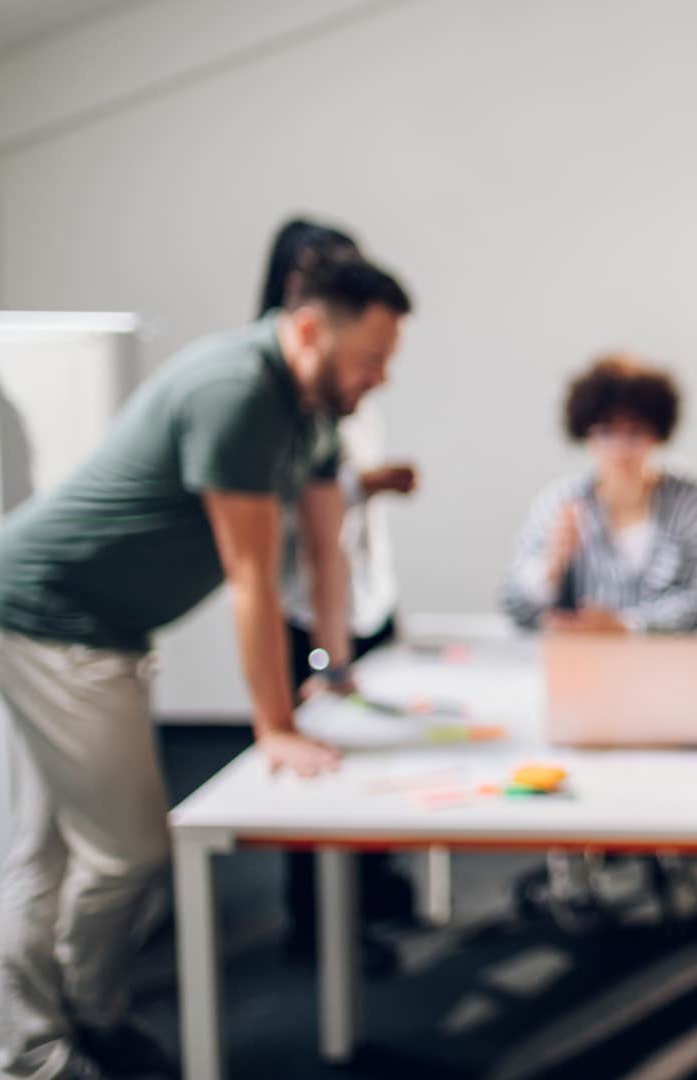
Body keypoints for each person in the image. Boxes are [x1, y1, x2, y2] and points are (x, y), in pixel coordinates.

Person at [0, 258, 412, 1079]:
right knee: (125, 850)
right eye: (372, 357)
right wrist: (274, 728)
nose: (380, 376)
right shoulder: (237, 390)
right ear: (311, 329)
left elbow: (322, 550)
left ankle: (38, 1044)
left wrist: (336, 669)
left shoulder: (313, 409)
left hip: (102, 628)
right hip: (53, 618)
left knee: (53, 845)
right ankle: (74, 1028)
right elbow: (249, 577)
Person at [257, 219, 420, 964]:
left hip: (355, 599)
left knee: (369, 755)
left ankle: (369, 897)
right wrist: (322, 659)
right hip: (307, 605)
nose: (381, 374)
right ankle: (317, 929)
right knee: (314, 763)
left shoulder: (336, 401)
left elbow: (331, 542)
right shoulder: (267, 398)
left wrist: (340, 650)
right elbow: (280, 551)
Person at [501, 355, 697, 634]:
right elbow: (515, 608)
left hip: (669, 667)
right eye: (607, 432)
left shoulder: (694, 506)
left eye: (635, 433)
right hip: (582, 667)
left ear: (656, 435)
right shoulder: (560, 504)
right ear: (586, 435)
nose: (620, 449)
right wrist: (549, 565)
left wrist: (624, 626)